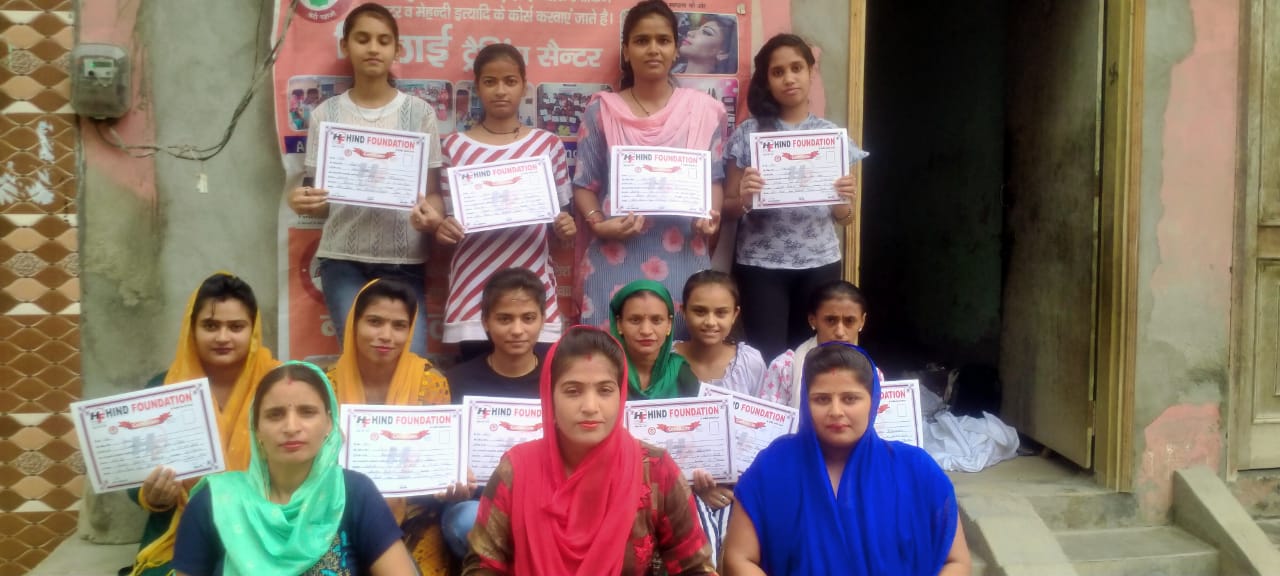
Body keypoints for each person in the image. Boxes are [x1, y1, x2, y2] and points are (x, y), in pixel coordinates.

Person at [462, 326, 716, 575]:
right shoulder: (517, 471)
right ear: (549, 396)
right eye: (572, 391)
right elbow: (483, 566)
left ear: (621, 395)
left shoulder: (655, 470)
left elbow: (695, 568)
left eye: (605, 390)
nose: (590, 407)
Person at [722, 343, 971, 575]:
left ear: (873, 400)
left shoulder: (916, 470)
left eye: (850, 398)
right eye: (822, 399)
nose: (836, 411)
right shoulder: (773, 468)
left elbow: (956, 562)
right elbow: (738, 558)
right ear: (806, 402)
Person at [286, 2, 446, 355]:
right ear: (345, 46)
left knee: (411, 363)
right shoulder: (325, 115)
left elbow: (433, 193)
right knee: (358, 361)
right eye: (362, 39)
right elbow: (316, 197)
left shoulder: (420, 114)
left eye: (383, 41)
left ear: (397, 50)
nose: (373, 48)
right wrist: (301, 200)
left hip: (404, 262)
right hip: (342, 261)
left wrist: (432, 217)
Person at [172, 362, 418, 576]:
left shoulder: (353, 493)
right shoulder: (214, 502)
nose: (291, 427)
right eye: (275, 415)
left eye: (307, 412)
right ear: (257, 429)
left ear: (328, 423)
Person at [573, 0, 726, 332]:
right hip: (614, 255)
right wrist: (598, 224)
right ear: (626, 51)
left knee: (678, 353)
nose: (653, 49)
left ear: (676, 49)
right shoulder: (601, 111)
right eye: (642, 41)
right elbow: (584, 184)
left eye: (663, 40)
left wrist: (710, 217)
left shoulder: (705, 111)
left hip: (684, 255)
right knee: (609, 355)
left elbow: (713, 179)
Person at [124, 273, 279, 576]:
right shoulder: (163, 389)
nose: (222, 337)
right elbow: (133, 474)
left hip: (266, 530)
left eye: (236, 327)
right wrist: (153, 495)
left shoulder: (279, 384)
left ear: (253, 330)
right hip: (180, 531)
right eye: (210, 326)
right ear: (191, 329)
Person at [722, 34, 865, 362]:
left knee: (813, 358)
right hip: (760, 265)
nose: (789, 78)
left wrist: (843, 200)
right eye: (778, 72)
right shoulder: (748, 134)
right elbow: (726, 209)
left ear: (811, 71)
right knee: (768, 359)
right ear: (766, 79)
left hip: (819, 263)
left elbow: (845, 218)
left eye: (796, 68)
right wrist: (745, 198)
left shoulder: (830, 137)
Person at [434, 44, 576, 360]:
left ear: (524, 86)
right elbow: (449, 219)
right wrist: (443, 229)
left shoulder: (547, 145)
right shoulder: (454, 147)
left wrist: (565, 226)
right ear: (477, 87)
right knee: (477, 381)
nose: (500, 90)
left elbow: (561, 217)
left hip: (533, 293)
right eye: (490, 82)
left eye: (510, 81)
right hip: (473, 293)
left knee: (535, 385)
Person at [325, 278, 460, 575]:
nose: (386, 336)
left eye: (399, 325)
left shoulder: (430, 382)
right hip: (340, 516)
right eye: (374, 322)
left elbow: (438, 462)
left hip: (415, 519)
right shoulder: (327, 386)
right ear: (353, 323)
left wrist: (449, 479)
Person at [439, 268, 549, 560]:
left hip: (544, 499)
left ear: (543, 319)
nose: (517, 330)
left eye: (528, 318)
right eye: (504, 319)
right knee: (466, 520)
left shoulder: (560, 380)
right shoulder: (456, 381)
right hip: (476, 501)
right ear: (485, 321)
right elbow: (442, 455)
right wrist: (452, 476)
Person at [671, 270, 765, 566]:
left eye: (721, 313)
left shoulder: (750, 362)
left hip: (740, 487)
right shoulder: (667, 360)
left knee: (733, 546)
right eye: (700, 311)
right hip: (679, 485)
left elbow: (761, 433)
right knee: (701, 547)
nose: (710, 322)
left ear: (735, 314)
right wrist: (695, 486)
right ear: (683, 311)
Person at [760, 280, 867, 410]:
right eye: (831, 320)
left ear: (862, 321)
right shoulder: (785, 368)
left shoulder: (871, 373)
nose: (840, 332)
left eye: (849, 321)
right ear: (812, 320)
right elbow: (770, 421)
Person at [609, 280, 701, 401]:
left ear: (669, 325)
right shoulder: (606, 371)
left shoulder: (681, 372)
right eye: (635, 320)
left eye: (656, 320)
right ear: (619, 324)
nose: (646, 331)